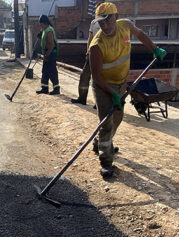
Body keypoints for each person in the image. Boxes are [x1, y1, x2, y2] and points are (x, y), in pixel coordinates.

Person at [89, 2, 166, 178]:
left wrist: (154, 48)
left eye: (107, 20)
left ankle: (100, 143)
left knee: (117, 117)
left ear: (116, 16)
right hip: (103, 86)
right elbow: (97, 77)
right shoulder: (97, 45)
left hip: (121, 82)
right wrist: (113, 94)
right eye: (101, 22)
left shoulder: (125, 25)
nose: (104, 25)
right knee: (106, 122)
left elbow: (140, 34)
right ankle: (106, 161)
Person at [71, 1, 103, 105]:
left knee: (99, 79)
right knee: (84, 76)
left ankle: (99, 102)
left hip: (104, 55)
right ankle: (82, 98)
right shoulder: (94, 22)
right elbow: (90, 38)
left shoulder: (109, 22)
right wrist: (88, 52)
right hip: (92, 53)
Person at [36, 15, 60, 95]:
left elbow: (51, 45)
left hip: (50, 54)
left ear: (44, 23)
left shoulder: (49, 30)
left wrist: (47, 55)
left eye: (41, 24)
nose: (40, 26)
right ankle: (44, 88)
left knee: (52, 71)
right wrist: (41, 35)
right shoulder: (45, 30)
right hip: (47, 53)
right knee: (45, 71)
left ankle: (56, 89)